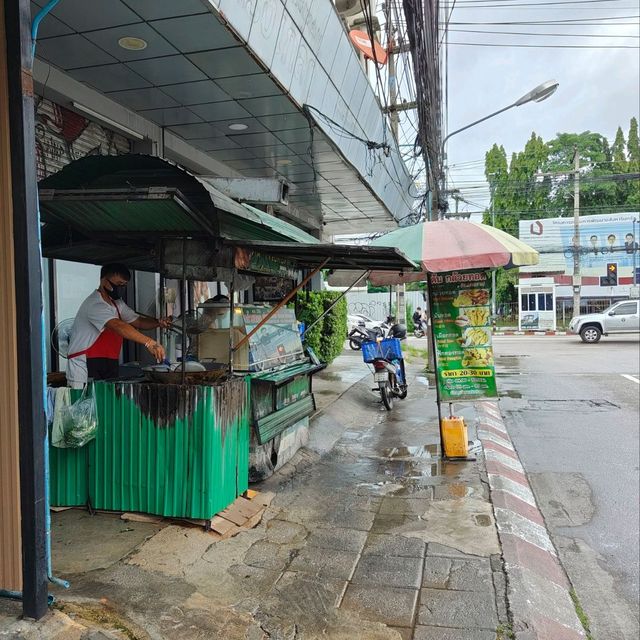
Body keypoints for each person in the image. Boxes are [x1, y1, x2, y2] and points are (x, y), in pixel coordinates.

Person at [66, 263, 170, 388]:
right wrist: (149, 342)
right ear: (104, 280)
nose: (121, 288)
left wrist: (158, 322)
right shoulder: (95, 304)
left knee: (107, 404)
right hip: (84, 365)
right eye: (119, 284)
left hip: (109, 363)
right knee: (86, 405)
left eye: (124, 285)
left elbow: (139, 321)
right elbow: (117, 325)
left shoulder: (117, 304)